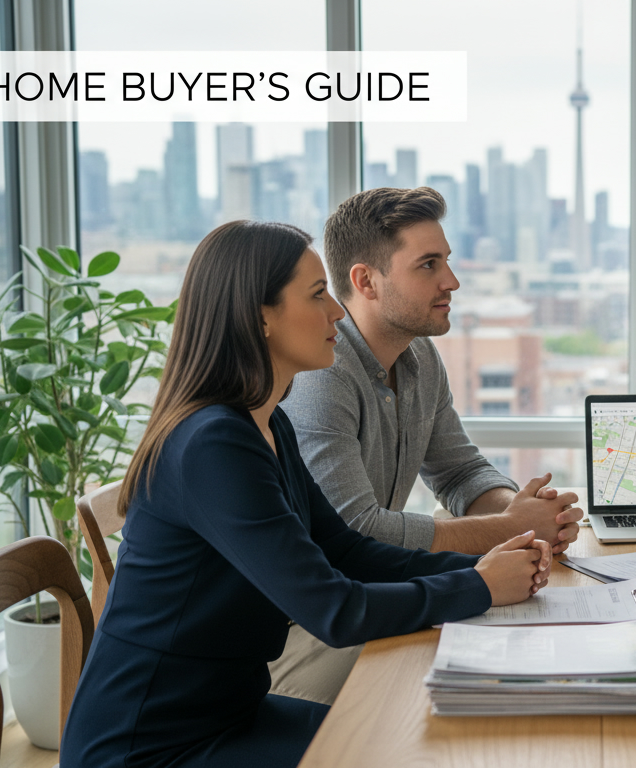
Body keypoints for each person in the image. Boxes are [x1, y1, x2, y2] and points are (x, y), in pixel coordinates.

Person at [60, 221, 552, 768]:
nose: (337, 312)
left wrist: (479, 568)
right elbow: (333, 609)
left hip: (230, 713)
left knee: (419, 736)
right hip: (150, 746)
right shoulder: (212, 445)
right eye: (318, 295)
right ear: (259, 317)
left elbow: (346, 551)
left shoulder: (265, 425)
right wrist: (478, 587)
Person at [267, 187, 583, 705]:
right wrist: (508, 529)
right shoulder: (323, 374)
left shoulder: (420, 359)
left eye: (447, 263)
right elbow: (354, 530)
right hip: (298, 630)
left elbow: (460, 473)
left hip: (369, 591)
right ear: (365, 281)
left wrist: (523, 513)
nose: (451, 282)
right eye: (428, 265)